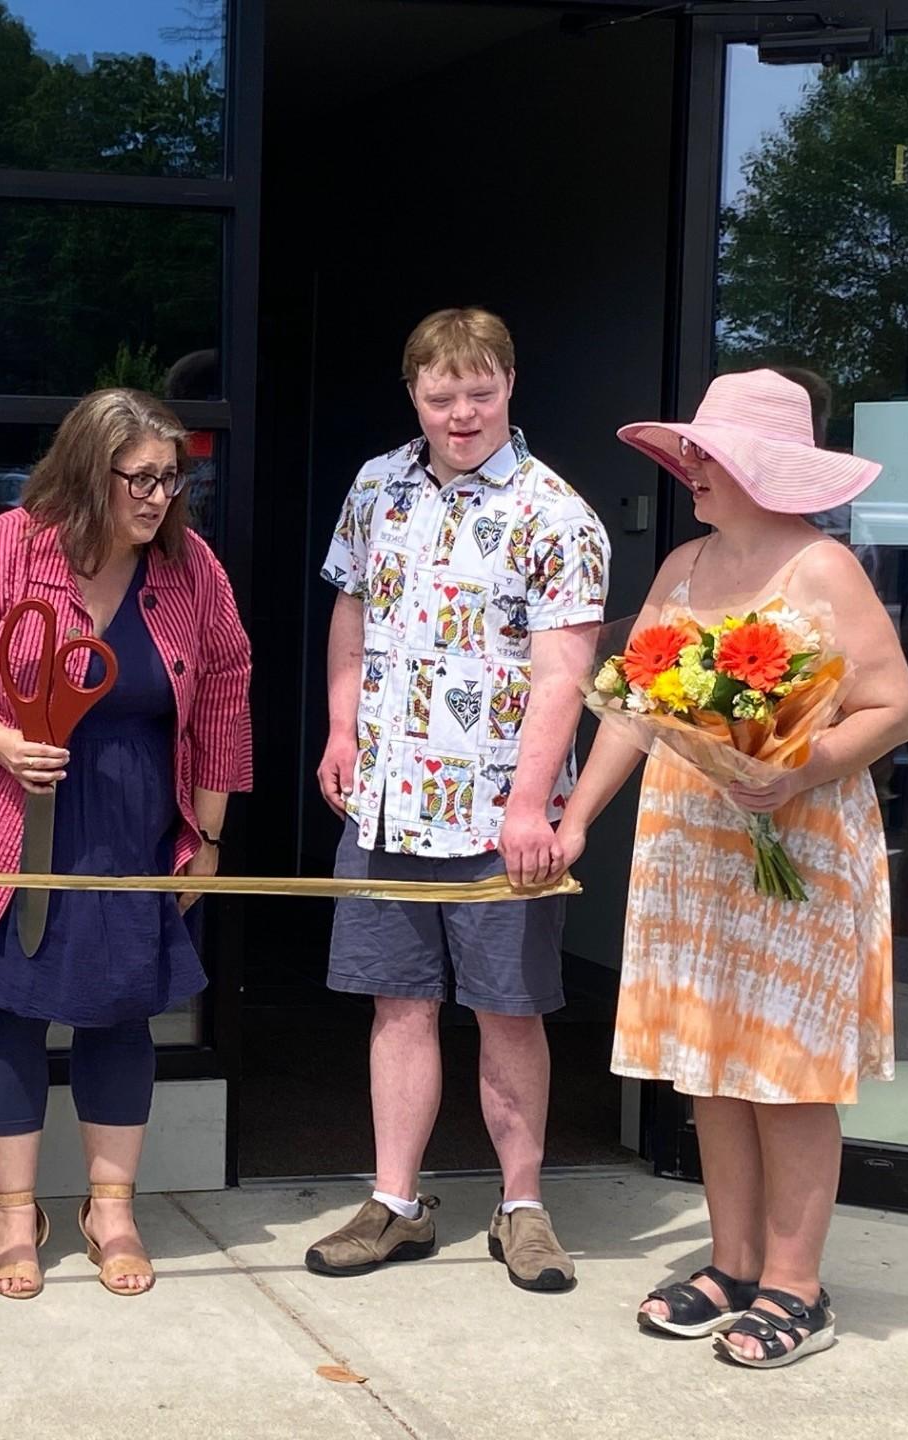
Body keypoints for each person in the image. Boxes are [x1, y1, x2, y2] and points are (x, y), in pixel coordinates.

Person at [553, 368, 908, 1368]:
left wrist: (801, 764)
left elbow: (893, 708)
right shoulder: (680, 564)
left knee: (788, 1076)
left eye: (707, 456)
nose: (691, 470)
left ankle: (798, 1286)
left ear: (760, 468)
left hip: (793, 845)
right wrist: (577, 817)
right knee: (713, 1066)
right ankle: (733, 1264)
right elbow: (631, 711)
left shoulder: (824, 569)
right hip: (693, 853)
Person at [0, 388, 252, 1300]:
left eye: (172, 478)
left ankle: (110, 1206)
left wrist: (209, 836)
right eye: (141, 479)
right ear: (90, 471)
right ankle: (14, 1211)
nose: (159, 498)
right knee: (9, 1007)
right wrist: (3, 740)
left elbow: (229, 689)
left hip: (133, 824)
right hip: (7, 817)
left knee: (122, 1008)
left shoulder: (192, 569)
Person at [307, 307, 610, 1291]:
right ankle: (396, 1201)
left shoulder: (555, 513)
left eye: (480, 392)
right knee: (398, 1007)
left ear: (510, 384)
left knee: (507, 1009)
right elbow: (351, 612)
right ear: (415, 397)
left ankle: (521, 1206)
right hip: (389, 803)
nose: (462, 413)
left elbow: (566, 673)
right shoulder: (375, 488)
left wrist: (534, 807)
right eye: (442, 396)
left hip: (495, 816)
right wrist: (343, 729)